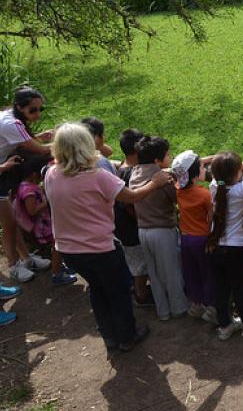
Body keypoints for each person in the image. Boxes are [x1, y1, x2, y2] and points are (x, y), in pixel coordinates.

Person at [44, 123, 172, 351]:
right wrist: (155, 183)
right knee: (118, 291)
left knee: (97, 289)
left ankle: (109, 336)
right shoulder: (97, 176)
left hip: (68, 250)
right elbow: (131, 197)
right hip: (100, 248)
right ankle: (127, 336)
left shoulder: (52, 174)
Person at [129, 135, 188, 320]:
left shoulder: (135, 172)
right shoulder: (163, 178)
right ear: (157, 160)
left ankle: (163, 311)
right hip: (162, 231)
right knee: (171, 272)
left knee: (154, 273)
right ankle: (178, 308)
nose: (170, 157)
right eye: (167, 155)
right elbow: (177, 199)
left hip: (143, 231)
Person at [0, 86, 54, 283]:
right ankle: (13, 266)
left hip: (3, 172)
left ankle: (26, 258)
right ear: (19, 107)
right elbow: (41, 151)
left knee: (12, 220)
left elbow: (16, 141)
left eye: (40, 109)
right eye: (33, 110)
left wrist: (38, 137)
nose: (37, 114)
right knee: (9, 223)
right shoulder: (11, 123)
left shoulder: (10, 117)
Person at [207, 152, 243, 340]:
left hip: (214, 247)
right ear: (238, 172)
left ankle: (225, 326)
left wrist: (235, 167)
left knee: (220, 289)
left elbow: (225, 171)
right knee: (239, 288)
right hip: (235, 249)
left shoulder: (214, 186)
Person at [11, 153, 78, 286]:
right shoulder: (28, 190)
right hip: (42, 227)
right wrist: (47, 200)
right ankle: (57, 273)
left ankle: (61, 266)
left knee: (59, 244)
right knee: (58, 246)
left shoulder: (26, 185)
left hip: (45, 223)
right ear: (34, 175)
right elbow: (32, 210)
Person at [172, 150, 216, 324]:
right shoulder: (204, 194)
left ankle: (196, 304)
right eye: (202, 167)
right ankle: (211, 307)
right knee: (207, 273)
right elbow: (211, 218)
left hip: (186, 239)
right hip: (202, 239)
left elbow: (180, 170)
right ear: (196, 173)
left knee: (191, 272)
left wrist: (204, 159)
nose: (204, 168)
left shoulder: (178, 190)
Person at [113, 129, 153, 307]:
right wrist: (144, 220)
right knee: (139, 265)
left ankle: (141, 289)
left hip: (123, 227)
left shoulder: (121, 167)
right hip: (131, 229)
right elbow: (129, 205)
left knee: (138, 261)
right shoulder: (132, 174)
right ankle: (141, 295)